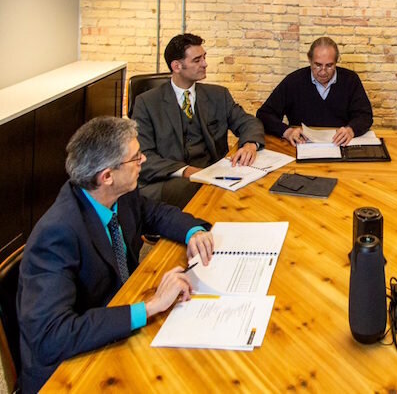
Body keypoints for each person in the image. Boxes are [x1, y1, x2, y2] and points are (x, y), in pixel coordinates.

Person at [17, 117, 215, 392]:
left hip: (115, 319)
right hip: (71, 370)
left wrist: (193, 231)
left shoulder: (117, 193)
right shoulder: (57, 234)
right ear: (106, 176)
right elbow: (51, 337)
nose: (143, 160)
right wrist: (149, 307)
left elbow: (154, 213)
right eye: (135, 158)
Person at [132, 33, 265, 208]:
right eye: (197, 60)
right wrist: (187, 171)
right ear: (177, 66)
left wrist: (249, 145)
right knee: (198, 190)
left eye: (204, 57)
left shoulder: (218, 95)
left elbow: (248, 122)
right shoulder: (146, 103)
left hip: (215, 174)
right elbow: (144, 156)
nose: (205, 63)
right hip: (169, 180)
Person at [256, 36, 373, 146]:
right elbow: (264, 114)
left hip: (340, 144)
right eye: (317, 65)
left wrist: (351, 130)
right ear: (309, 59)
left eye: (329, 65)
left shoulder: (350, 80)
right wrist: (287, 131)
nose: (323, 71)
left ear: (336, 61)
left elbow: (365, 115)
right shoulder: (294, 81)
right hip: (302, 145)